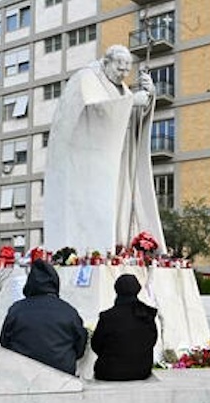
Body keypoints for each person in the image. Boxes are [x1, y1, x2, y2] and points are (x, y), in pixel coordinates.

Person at [44, 45, 166, 254]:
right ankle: (96, 248)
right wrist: (130, 103)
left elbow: (132, 117)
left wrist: (148, 98)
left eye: (127, 71)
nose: (123, 75)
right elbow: (89, 111)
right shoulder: (86, 79)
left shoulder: (121, 88)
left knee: (123, 200)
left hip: (120, 155)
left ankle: (120, 242)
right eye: (120, 70)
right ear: (107, 62)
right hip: (93, 164)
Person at [0, 259, 88, 376]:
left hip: (22, 373)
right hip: (62, 375)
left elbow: (4, 342)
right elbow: (80, 346)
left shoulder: (16, 309)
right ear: (55, 283)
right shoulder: (68, 311)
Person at [91, 274, 158, 381]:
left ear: (116, 290)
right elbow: (152, 340)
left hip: (109, 371)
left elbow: (96, 344)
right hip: (141, 370)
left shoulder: (108, 316)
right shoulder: (146, 314)